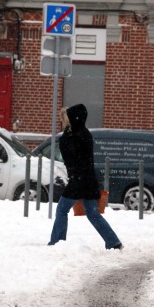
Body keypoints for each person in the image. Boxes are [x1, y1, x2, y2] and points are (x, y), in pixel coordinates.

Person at [48, 104, 123, 250]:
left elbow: (70, 157)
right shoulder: (84, 134)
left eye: (65, 119)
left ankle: (56, 242)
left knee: (62, 209)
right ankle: (113, 242)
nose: (64, 122)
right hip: (88, 179)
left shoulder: (73, 137)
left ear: (71, 120)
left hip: (78, 180)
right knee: (93, 214)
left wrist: (66, 136)